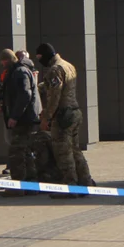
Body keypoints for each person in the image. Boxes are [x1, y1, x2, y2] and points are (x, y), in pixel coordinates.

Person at [36, 43, 94, 195]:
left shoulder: (55, 69)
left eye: (39, 57)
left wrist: (46, 117)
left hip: (63, 115)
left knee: (63, 152)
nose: (39, 60)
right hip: (74, 112)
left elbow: (55, 95)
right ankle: (86, 181)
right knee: (75, 150)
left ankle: (70, 185)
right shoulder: (68, 65)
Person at [0, 48, 51, 197]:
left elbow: (24, 95)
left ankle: (17, 186)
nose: (2, 65)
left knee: (17, 152)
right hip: (27, 118)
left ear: (7, 60)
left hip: (24, 120)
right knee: (27, 151)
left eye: (3, 62)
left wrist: (14, 116)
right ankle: (31, 184)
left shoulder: (19, 72)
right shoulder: (20, 71)